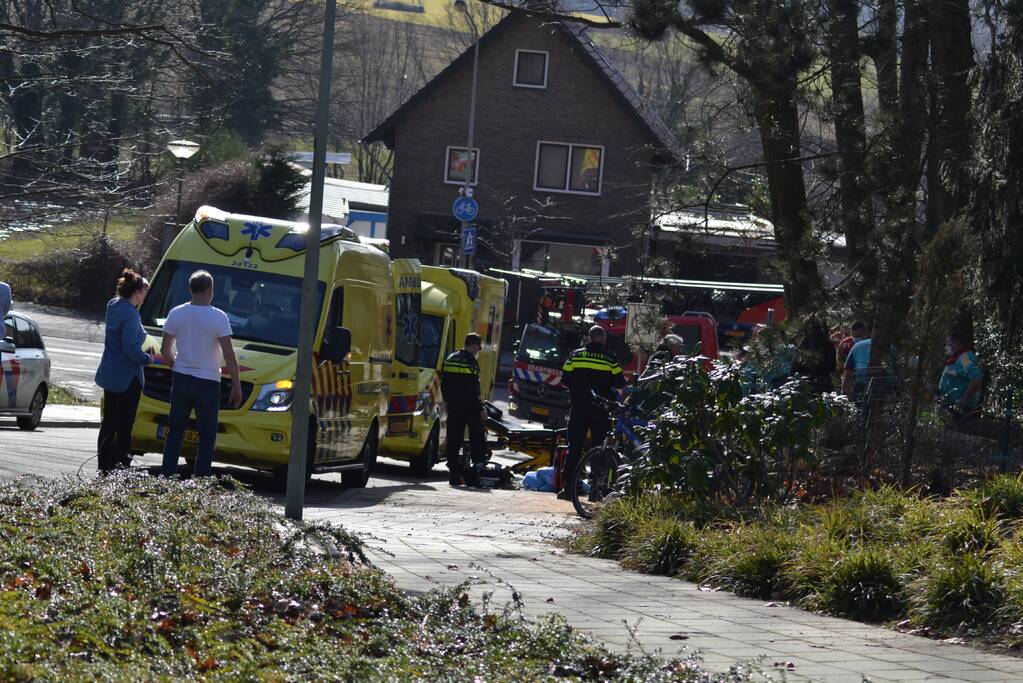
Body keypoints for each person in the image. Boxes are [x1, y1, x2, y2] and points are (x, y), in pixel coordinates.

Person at [160, 270, 242, 477]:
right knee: (207, 436)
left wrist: (174, 365)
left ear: (190, 289)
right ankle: (201, 481)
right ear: (210, 289)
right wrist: (236, 385)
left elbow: (165, 349)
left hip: (182, 378)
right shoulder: (219, 317)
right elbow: (229, 354)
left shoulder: (176, 313)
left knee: (175, 432)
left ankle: (167, 477)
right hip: (208, 382)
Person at [94, 269, 152, 473]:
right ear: (137, 292)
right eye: (144, 290)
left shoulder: (114, 305)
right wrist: (146, 358)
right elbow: (129, 347)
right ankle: (119, 468)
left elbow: (134, 330)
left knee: (109, 422)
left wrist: (141, 333)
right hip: (128, 377)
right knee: (125, 425)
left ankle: (103, 466)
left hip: (110, 373)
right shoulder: (130, 315)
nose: (146, 294)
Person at [558, 325, 625, 500]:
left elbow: (565, 380)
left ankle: (568, 489)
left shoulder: (575, 355)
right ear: (602, 339)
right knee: (598, 450)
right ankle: (595, 490)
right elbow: (619, 383)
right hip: (600, 411)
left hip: (579, 408)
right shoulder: (611, 358)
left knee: (575, 449)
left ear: (589, 338)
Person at [440, 332, 487, 486]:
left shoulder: (450, 358)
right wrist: (480, 409)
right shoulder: (471, 363)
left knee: (454, 441)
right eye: (478, 347)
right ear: (473, 345)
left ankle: (454, 475)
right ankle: (476, 472)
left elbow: (444, 384)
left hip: (453, 407)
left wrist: (448, 401)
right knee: (477, 438)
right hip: (469, 408)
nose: (478, 350)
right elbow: (474, 390)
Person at [938, 331, 983, 412]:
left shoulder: (964, 359)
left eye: (948, 343)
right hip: (950, 407)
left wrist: (964, 399)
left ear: (956, 343)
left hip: (960, 409)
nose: (946, 347)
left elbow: (977, 378)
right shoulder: (955, 359)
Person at [794, 321, 837, 392]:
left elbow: (796, 365)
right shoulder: (828, 344)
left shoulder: (804, 343)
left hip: (806, 383)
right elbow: (832, 368)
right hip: (824, 382)